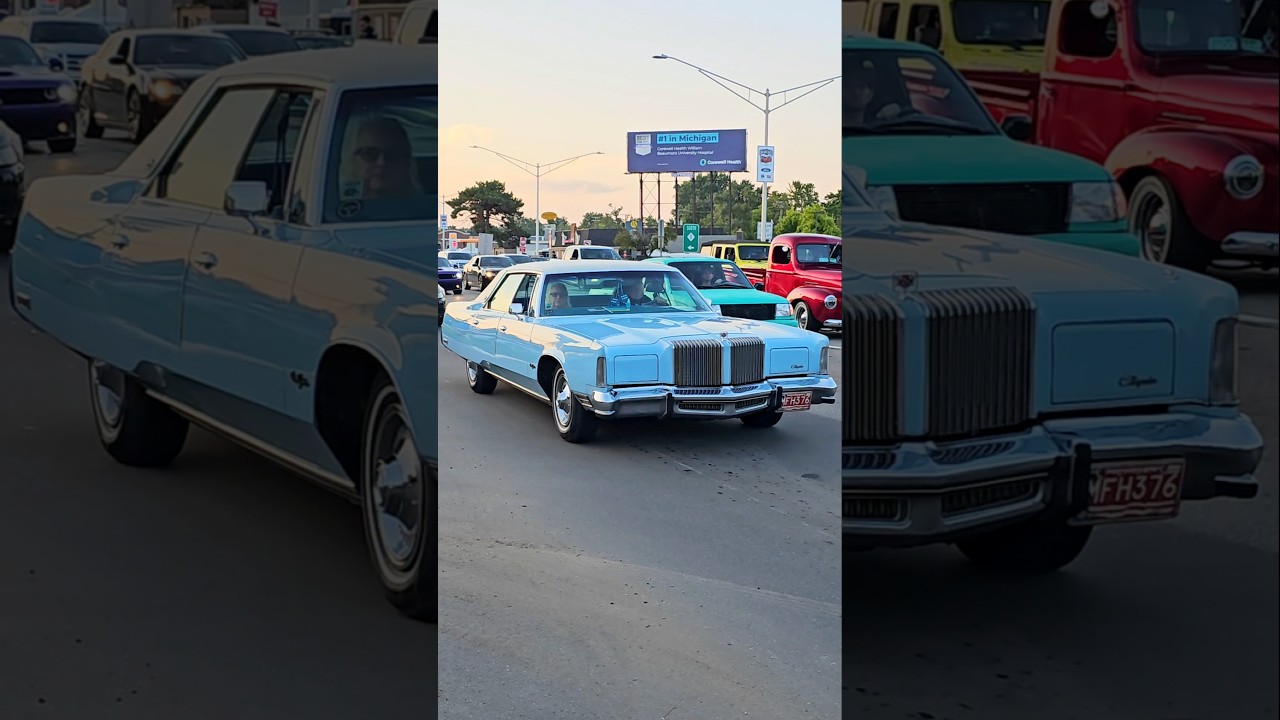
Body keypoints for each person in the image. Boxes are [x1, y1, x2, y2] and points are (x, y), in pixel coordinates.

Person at [348, 116, 419, 199]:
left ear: (406, 162)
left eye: (393, 154)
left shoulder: (425, 209)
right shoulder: (332, 206)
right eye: (370, 153)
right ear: (352, 160)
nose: (381, 162)